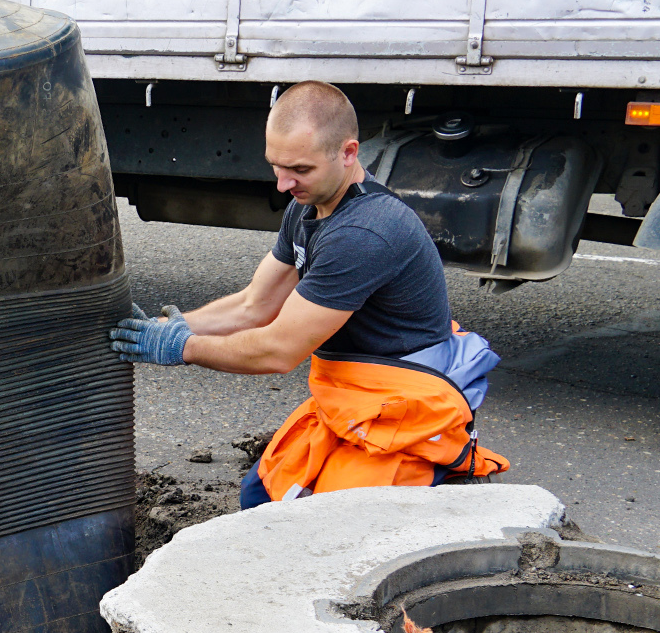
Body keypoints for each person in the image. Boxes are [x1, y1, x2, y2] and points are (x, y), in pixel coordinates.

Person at [110, 80, 508, 506]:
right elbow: (254, 305)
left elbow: (278, 351)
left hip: (403, 407)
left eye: (299, 170)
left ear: (348, 153)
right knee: (259, 495)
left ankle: (441, 478)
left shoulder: (362, 233)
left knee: (325, 527)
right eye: (276, 166)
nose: (283, 184)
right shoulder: (309, 206)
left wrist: (181, 347)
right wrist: (168, 326)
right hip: (354, 396)